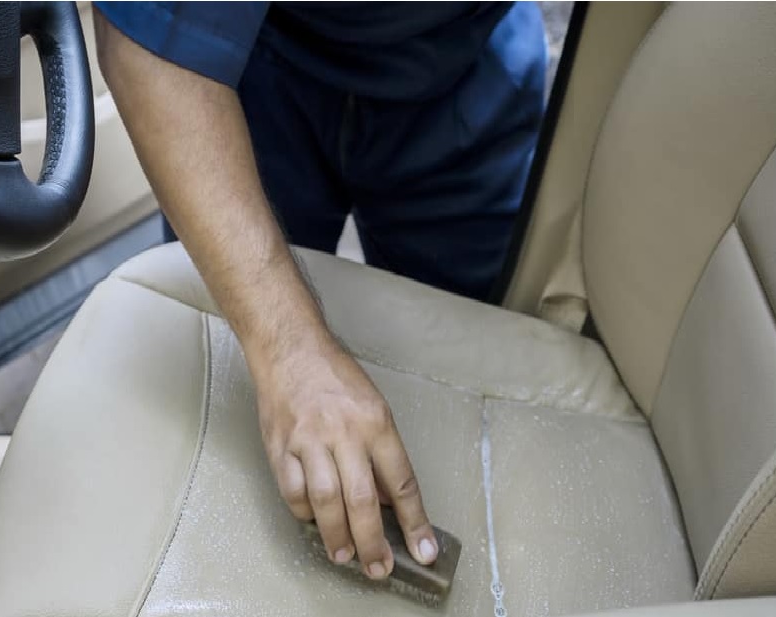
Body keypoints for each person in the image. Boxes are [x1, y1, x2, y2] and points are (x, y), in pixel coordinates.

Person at [94, 1, 547, 580]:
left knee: (466, 383)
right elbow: (150, 48)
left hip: (463, 69)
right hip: (256, 70)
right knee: (234, 384)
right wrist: (290, 353)